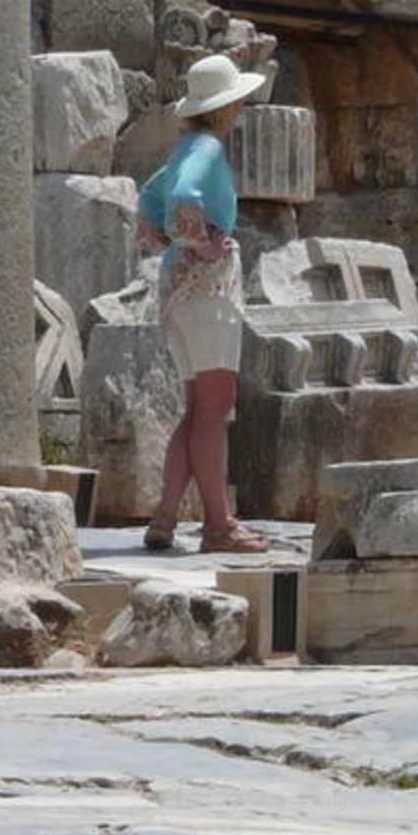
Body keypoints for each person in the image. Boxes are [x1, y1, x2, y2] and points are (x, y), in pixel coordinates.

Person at [136, 53, 271, 553]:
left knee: (197, 409)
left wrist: (170, 242)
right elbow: (183, 196)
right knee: (215, 409)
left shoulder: (182, 149)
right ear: (224, 107)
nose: (241, 110)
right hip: (207, 289)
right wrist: (203, 242)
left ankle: (166, 517)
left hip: (177, 288)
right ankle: (218, 525)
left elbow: (149, 200)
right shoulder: (208, 148)